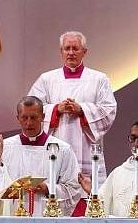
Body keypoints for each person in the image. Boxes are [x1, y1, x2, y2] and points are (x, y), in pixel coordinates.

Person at [28, 31, 117, 186]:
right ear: (61, 52)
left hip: (87, 149)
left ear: (84, 52)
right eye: (66, 48)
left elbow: (109, 110)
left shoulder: (99, 79)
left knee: (88, 202)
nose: (70, 53)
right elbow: (31, 109)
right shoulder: (47, 79)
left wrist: (82, 110)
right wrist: (56, 109)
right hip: (55, 146)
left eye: (75, 48)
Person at [0, 96, 84, 216]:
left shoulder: (62, 149)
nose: (29, 122)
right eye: (24, 118)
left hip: (47, 216)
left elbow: (74, 189)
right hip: (13, 216)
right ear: (18, 118)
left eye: (34, 117)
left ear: (43, 117)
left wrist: (48, 188)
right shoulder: (5, 148)